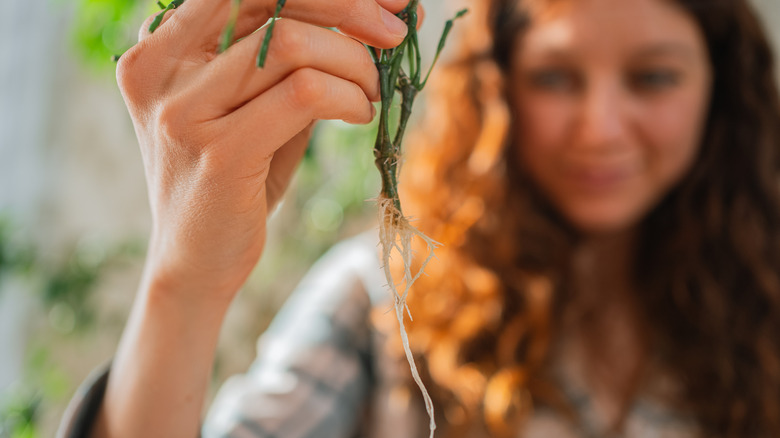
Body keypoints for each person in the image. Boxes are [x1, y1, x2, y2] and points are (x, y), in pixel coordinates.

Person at [56, 0, 780, 437]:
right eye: (555, 76)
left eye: (653, 77)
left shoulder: (762, 318)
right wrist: (187, 277)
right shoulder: (381, 298)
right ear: (498, 88)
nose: (600, 129)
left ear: (722, 90)